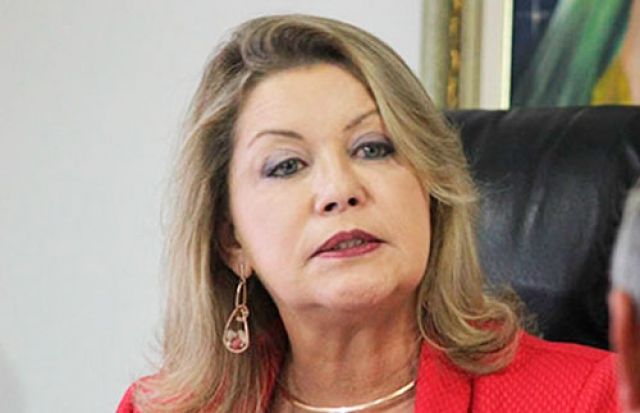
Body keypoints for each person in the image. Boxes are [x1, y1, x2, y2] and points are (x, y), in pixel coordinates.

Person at [117, 14, 624, 412]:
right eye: (286, 165)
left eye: (373, 148)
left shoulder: (593, 397)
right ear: (232, 241)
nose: (340, 190)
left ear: (432, 188)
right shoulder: (162, 408)